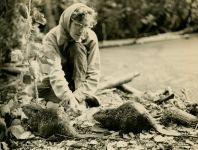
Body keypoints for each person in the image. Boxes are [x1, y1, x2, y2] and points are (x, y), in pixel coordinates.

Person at [38, 3, 101, 111]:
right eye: (78, 25)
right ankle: (80, 100)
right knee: (40, 89)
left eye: (86, 26)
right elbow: (54, 71)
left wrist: (77, 96)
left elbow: (94, 72)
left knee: (77, 47)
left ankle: (80, 99)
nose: (81, 30)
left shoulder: (91, 37)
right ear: (68, 22)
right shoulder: (51, 38)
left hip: (79, 84)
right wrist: (68, 96)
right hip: (58, 82)